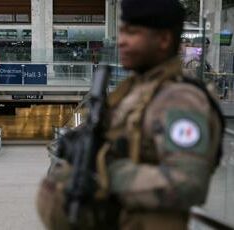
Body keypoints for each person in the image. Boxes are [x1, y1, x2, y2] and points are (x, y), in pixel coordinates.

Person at [36, 0, 224, 230]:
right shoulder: (135, 91)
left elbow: (187, 183)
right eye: (122, 32)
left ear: (164, 40)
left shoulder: (180, 100)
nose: (122, 41)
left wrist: (104, 174)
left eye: (132, 33)